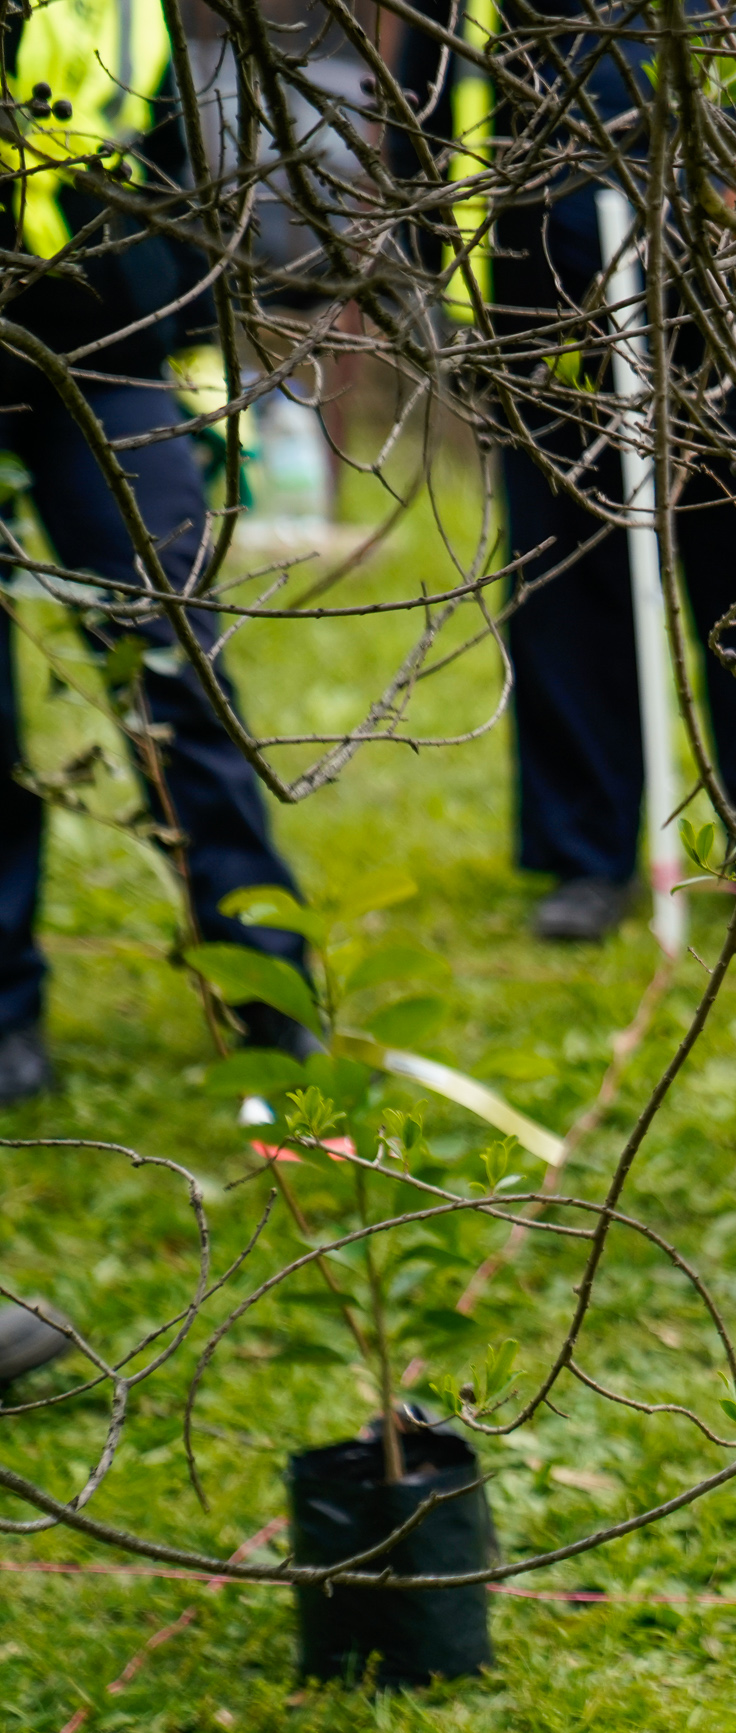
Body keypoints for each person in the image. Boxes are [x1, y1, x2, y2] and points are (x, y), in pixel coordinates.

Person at [392, 0, 736, 944]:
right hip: (538, 299)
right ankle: (586, 853)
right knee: (566, 576)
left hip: (732, 292)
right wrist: (440, 274)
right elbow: (422, 111)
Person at [1, 0, 314, 1106]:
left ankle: (274, 995)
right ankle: (5, 1018)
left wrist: (202, 366)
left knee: (178, 666)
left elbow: (179, 173)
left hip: (111, 347)